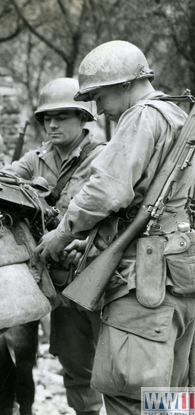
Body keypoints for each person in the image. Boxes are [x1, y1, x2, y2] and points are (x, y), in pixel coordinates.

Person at [34, 41, 195, 415]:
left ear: (124, 85)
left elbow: (108, 190)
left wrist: (63, 233)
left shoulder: (142, 116)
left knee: (130, 397)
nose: (98, 107)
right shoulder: (178, 119)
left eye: (99, 95)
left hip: (145, 283)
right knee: (170, 399)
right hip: (181, 275)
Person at [0, 78, 106, 415]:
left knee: (123, 363)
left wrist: (88, 240)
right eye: (46, 118)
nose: (52, 125)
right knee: (75, 363)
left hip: (104, 274)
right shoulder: (36, 159)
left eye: (61, 117)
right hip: (61, 281)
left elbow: (122, 209)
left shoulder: (106, 157)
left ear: (83, 116)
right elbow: (4, 181)